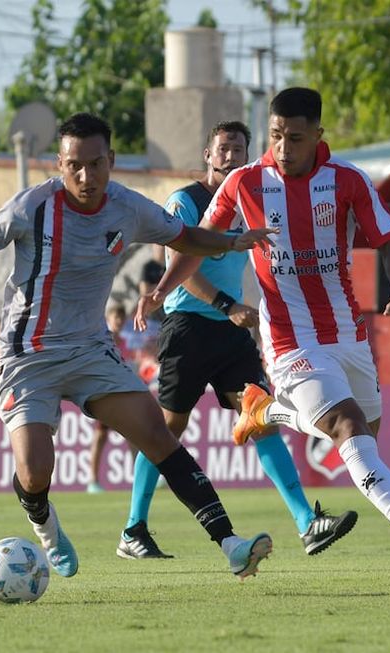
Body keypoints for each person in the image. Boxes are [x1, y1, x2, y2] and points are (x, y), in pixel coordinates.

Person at [0, 112, 279, 581]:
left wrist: (233, 240)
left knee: (157, 435)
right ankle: (46, 527)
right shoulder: (31, 206)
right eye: (74, 166)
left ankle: (231, 545)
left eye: (95, 164)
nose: (85, 176)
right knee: (35, 472)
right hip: (28, 355)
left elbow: (185, 238)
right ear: (59, 164)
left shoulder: (128, 207)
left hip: (90, 350)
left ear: (111, 160)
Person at [143, 88, 390, 569]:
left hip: (348, 335)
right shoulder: (245, 182)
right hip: (290, 339)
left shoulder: (348, 180)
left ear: (318, 135)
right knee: (346, 426)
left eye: (295, 138)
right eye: (275, 136)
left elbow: (389, 242)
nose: (283, 148)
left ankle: (267, 411)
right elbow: (197, 241)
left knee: (364, 438)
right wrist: (162, 288)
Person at [124, 120, 357, 560]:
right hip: (188, 328)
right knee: (165, 431)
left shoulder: (249, 200)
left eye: (238, 150)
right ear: (207, 156)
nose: (230, 156)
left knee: (260, 418)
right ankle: (133, 528)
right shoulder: (186, 201)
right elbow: (181, 269)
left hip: (230, 332)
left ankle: (307, 522)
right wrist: (228, 304)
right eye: (223, 149)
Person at [87, 303, 134, 494]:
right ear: (108, 319)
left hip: (120, 391)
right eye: (116, 318)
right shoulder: (103, 339)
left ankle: (141, 475)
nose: (119, 322)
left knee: (134, 434)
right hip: (104, 391)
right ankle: (92, 480)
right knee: (100, 436)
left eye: (122, 318)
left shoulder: (124, 342)